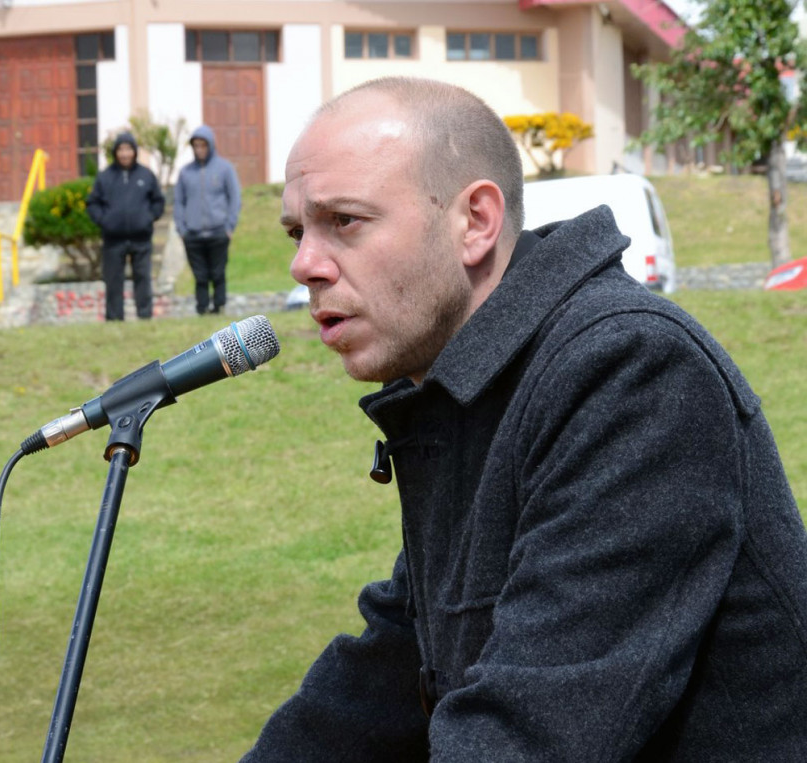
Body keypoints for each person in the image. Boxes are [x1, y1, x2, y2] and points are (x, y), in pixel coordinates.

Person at [243, 77, 807, 760]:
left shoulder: (629, 371)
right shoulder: (468, 388)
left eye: (345, 222)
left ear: (476, 221)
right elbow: (387, 672)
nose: (305, 264)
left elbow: (533, 728)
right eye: (298, 230)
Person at [85, 132, 165, 321]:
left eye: (128, 149)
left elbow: (158, 201)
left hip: (141, 238)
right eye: (121, 149)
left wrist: (148, 217)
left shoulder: (146, 175)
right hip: (113, 239)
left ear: (134, 151)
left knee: (143, 278)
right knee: (113, 281)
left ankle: (145, 316)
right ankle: (114, 318)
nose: (125, 154)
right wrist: (104, 220)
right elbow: (92, 203)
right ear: (115, 152)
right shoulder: (105, 177)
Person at [173, 126, 241, 315]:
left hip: (218, 231)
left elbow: (234, 197)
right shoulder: (185, 172)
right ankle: (201, 307)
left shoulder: (225, 168)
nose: (200, 149)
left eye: (203, 145)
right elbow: (178, 202)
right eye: (196, 145)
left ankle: (219, 306)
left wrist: (229, 226)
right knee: (200, 275)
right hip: (192, 234)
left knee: (218, 273)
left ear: (210, 145)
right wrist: (182, 229)